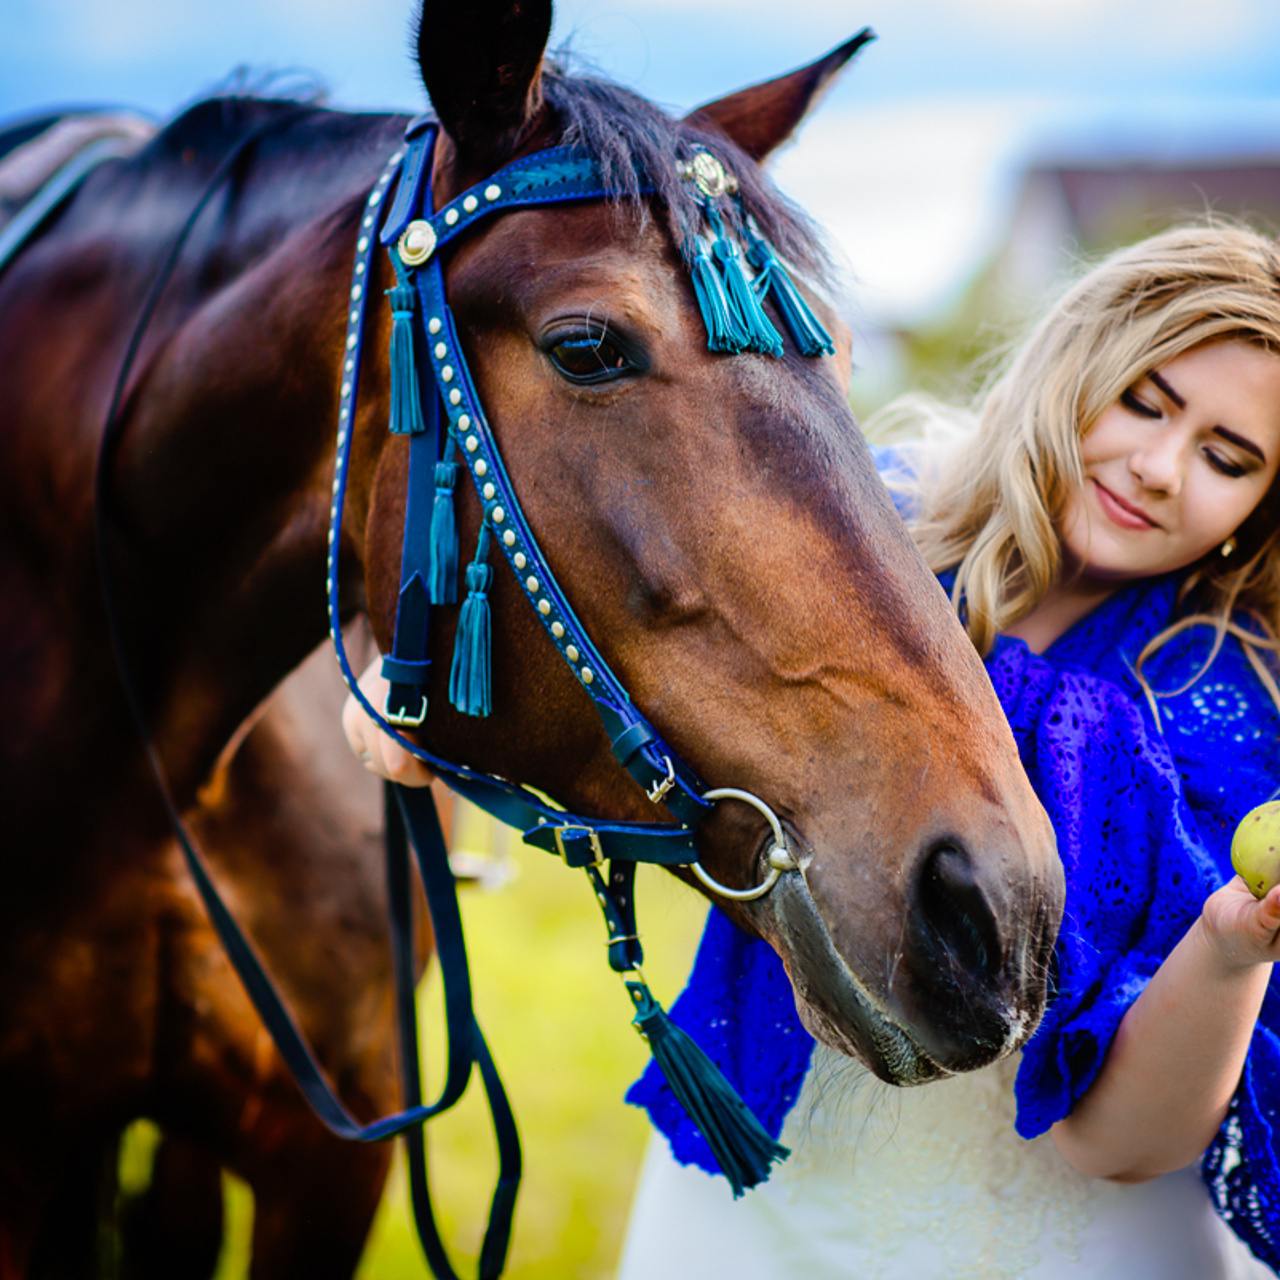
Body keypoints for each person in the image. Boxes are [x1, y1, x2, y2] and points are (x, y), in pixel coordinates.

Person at [343, 223, 1280, 1277]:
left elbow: (1117, 1142)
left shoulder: (1227, 707)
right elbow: (636, 638)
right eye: (1143, 402)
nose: (1157, 467)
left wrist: (1229, 945)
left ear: (1259, 506)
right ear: (1072, 370)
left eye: (1224, 455)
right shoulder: (858, 535)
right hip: (760, 1201)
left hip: (1057, 1242)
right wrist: (435, 688)